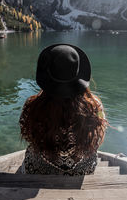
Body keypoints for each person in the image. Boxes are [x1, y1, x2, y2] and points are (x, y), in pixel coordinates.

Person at [20, 44, 107, 175]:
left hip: (37, 169)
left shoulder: (32, 106)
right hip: (83, 170)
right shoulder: (95, 106)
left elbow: (27, 136)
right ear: (78, 74)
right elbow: (99, 134)